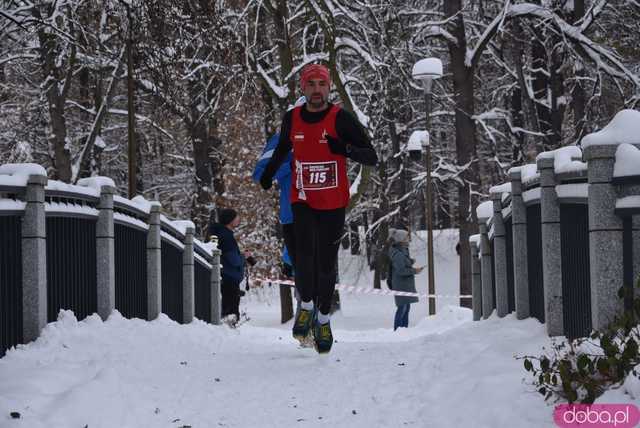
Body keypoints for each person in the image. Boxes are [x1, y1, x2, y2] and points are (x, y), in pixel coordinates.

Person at [259, 63, 378, 353]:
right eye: (310, 83)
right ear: (303, 88)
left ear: (328, 88)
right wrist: (269, 173)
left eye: (321, 84)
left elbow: (371, 156)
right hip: (302, 198)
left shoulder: (341, 119)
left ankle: (323, 319)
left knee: (326, 264)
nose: (316, 89)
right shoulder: (293, 118)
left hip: (333, 202)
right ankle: (307, 307)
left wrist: (345, 150)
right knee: (303, 256)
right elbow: (284, 148)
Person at [209, 208, 247, 325]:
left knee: (227, 305)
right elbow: (234, 260)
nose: (238, 219)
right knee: (230, 309)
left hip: (225, 275)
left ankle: (229, 326)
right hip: (229, 276)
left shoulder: (220, 233)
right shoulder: (226, 236)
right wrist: (243, 257)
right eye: (236, 217)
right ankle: (230, 327)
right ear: (230, 220)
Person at [388, 228, 423, 330]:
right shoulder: (397, 253)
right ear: (401, 239)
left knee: (406, 307)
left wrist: (410, 261)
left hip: (405, 285)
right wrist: (414, 271)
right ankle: (398, 330)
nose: (408, 239)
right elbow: (401, 270)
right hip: (400, 285)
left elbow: (403, 263)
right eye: (407, 237)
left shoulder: (403, 250)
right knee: (402, 308)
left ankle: (404, 330)